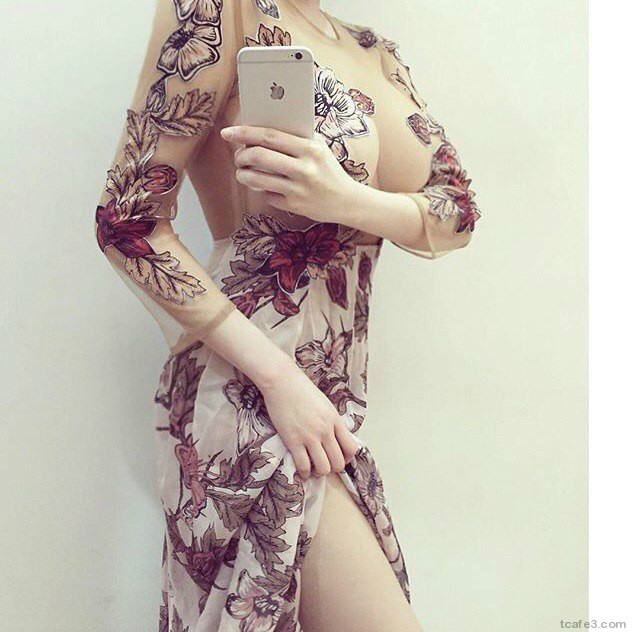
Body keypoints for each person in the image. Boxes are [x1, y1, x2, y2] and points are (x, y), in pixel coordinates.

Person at [93, 0, 480, 629]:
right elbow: (126, 222)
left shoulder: (374, 51)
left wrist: (343, 198)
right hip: (247, 381)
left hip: (330, 396)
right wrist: (278, 379)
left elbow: (457, 213)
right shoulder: (219, 11)